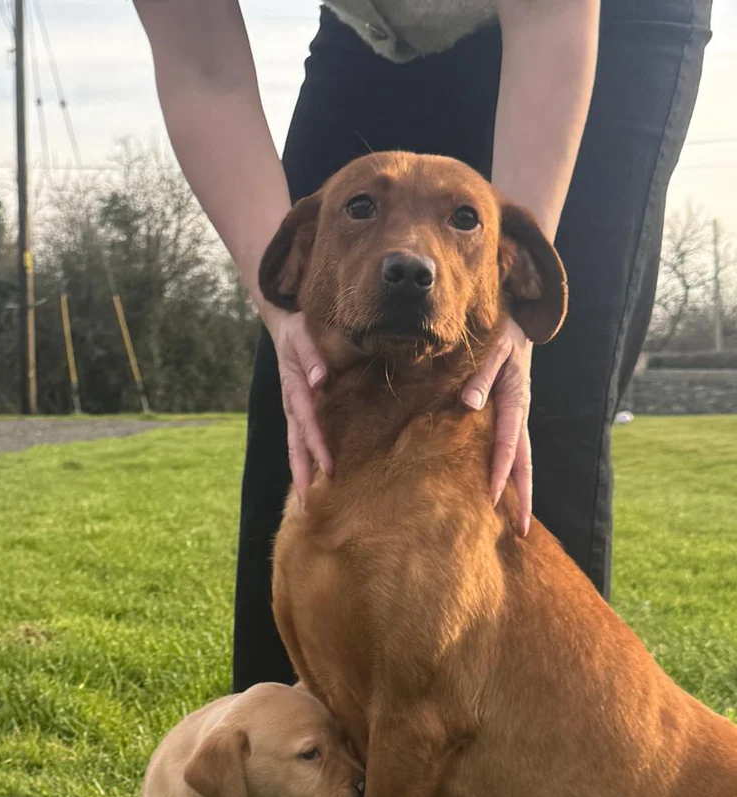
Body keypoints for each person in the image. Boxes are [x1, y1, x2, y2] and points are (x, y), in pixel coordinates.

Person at [133, 0, 713, 692]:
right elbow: (204, 69)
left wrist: (512, 317)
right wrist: (283, 310)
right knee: (305, 404)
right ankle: (288, 785)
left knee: (530, 423)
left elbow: (552, 17)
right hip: (374, 30)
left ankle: (543, 784)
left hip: (591, 24)